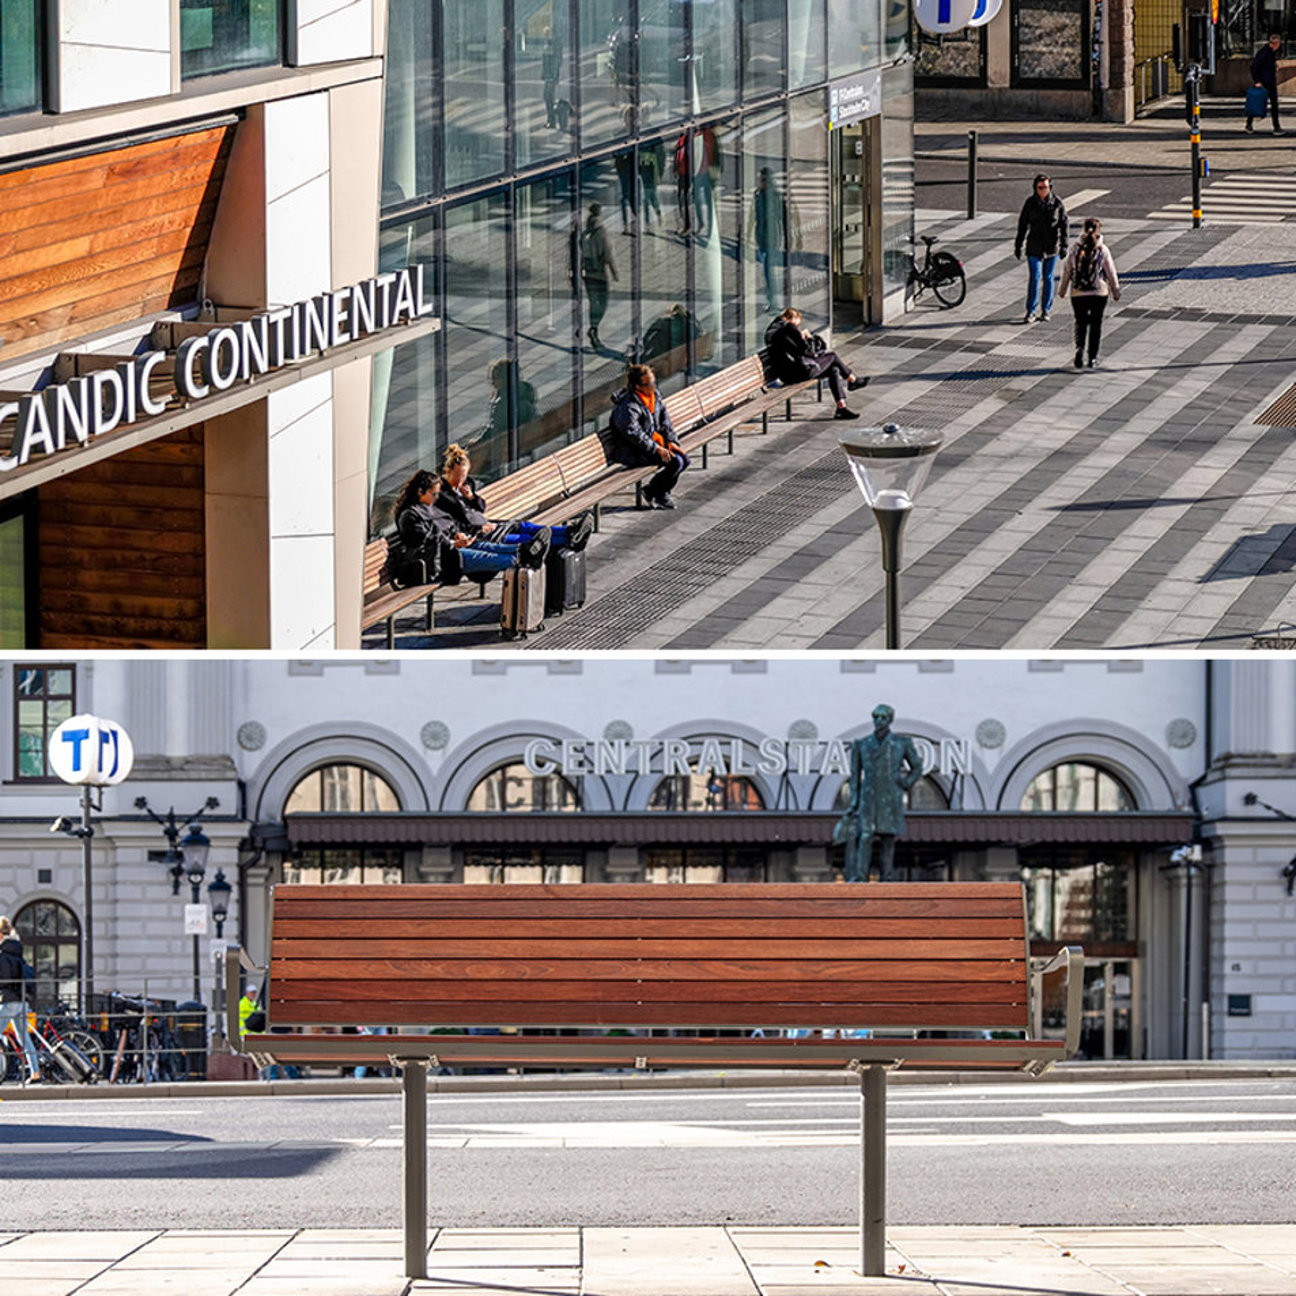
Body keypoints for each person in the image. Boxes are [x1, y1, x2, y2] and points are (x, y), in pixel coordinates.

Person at [387, 470, 550, 586]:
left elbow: (446, 526)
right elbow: (429, 539)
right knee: (487, 556)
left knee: (488, 546)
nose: (437, 498)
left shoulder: (428, 506)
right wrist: (453, 542)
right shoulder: (409, 515)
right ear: (420, 491)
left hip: (448, 551)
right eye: (434, 494)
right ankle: (523, 557)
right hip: (437, 562)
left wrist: (458, 535)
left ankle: (525, 550)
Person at [438, 443, 594, 551]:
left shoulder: (465, 486)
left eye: (464, 477)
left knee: (523, 526)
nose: (461, 481)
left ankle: (569, 531)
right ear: (448, 472)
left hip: (489, 525)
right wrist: (479, 529)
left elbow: (481, 507)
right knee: (525, 539)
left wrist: (471, 497)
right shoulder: (442, 495)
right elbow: (455, 523)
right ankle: (569, 539)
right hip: (479, 534)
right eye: (458, 477)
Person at [836, 706, 924, 883]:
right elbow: (855, 776)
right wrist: (854, 802)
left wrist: (905, 783)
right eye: (876, 716)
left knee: (887, 837)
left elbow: (917, 767)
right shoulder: (861, 744)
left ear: (890, 719)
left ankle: (887, 877)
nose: (879, 720)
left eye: (883, 717)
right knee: (866, 835)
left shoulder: (901, 743)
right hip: (869, 796)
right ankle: (861, 876)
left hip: (890, 795)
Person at [607, 363, 689, 509]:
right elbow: (635, 434)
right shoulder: (629, 406)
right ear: (637, 386)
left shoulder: (654, 396)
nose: (654, 386)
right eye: (649, 383)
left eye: (654, 381)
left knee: (685, 460)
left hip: (653, 444)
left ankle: (655, 491)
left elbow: (666, 422)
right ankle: (659, 493)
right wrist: (657, 449)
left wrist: (671, 441)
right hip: (634, 451)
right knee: (676, 462)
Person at [763, 307, 867, 420]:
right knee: (832, 356)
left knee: (833, 369)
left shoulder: (774, 330)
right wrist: (809, 337)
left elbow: (793, 350)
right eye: (798, 323)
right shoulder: (788, 328)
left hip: (787, 374)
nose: (798, 326)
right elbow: (809, 352)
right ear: (794, 318)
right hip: (799, 372)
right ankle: (852, 380)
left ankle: (841, 408)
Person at [1059, 216, 1121, 370]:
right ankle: (1092, 357)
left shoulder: (1075, 248)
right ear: (1098, 230)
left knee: (1080, 322)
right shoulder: (1103, 249)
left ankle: (1079, 348)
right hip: (1099, 292)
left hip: (1078, 293)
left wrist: (1062, 290)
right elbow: (1111, 272)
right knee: (1096, 324)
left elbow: (1068, 270)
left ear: (1083, 229)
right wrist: (1115, 290)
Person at [1014, 174, 1068, 324]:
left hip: (1051, 246)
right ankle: (1030, 311)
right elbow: (1023, 225)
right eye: (1040, 188)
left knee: (1048, 278)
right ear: (1035, 188)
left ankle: (1046, 310)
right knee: (1035, 277)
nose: (1043, 190)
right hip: (1034, 245)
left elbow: (1064, 224)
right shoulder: (1030, 203)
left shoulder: (1057, 203)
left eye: (1046, 187)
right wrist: (1018, 245)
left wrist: (1064, 245)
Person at [0, 916, 42, 1084]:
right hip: (21, 1001)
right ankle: (35, 1073)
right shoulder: (17, 952)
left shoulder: (3, 955)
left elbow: (4, 979)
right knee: (24, 1039)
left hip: (9, 1001)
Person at [579, 203, 618, 350]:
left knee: (592, 302)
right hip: (599, 274)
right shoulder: (601, 232)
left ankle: (593, 329)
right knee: (603, 302)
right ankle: (593, 328)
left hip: (587, 274)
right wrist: (614, 272)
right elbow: (608, 253)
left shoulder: (585, 232)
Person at [749, 167, 787, 313]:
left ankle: (773, 301)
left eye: (763, 180)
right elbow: (753, 215)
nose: (760, 182)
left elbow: (783, 217)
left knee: (768, 270)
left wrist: (787, 239)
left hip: (772, 237)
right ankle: (772, 300)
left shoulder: (776, 196)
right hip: (761, 236)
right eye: (759, 179)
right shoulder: (757, 194)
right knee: (767, 271)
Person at [1247, 33, 1285, 134]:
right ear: (1275, 44)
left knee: (1260, 103)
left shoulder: (1269, 53)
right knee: (1263, 104)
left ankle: (1250, 124)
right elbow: (1254, 67)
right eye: (1278, 44)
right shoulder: (1264, 53)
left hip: (1268, 81)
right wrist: (1257, 81)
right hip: (1265, 82)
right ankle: (1275, 127)